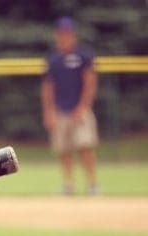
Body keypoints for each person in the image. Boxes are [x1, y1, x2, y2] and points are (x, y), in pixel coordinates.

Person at [41, 17, 99, 195]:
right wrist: (48, 112)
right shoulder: (53, 59)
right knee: (63, 150)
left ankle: (92, 185)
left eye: (68, 33)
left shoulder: (83, 55)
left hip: (80, 110)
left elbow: (90, 82)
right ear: (57, 35)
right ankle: (68, 185)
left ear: (73, 35)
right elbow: (48, 87)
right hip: (60, 111)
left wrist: (83, 107)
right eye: (61, 33)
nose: (64, 37)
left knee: (85, 147)